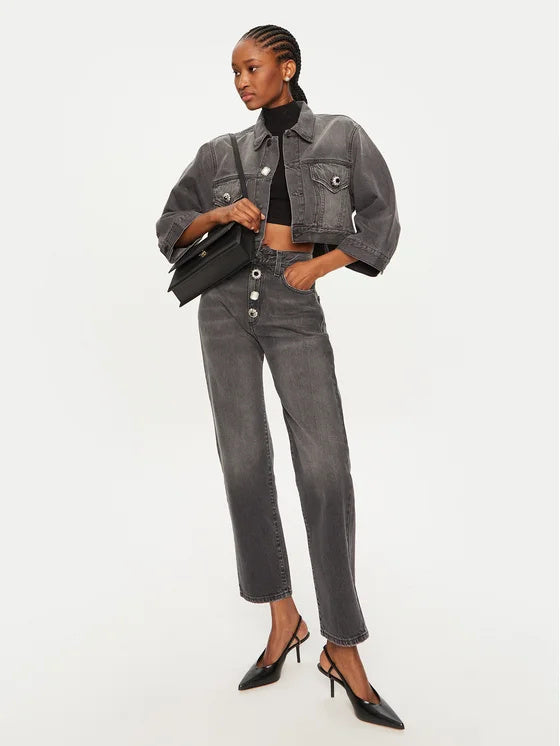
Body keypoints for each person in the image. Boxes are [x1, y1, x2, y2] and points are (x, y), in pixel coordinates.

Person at [155, 24, 404, 729]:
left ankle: (342, 646)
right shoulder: (221, 150)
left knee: (325, 471)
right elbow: (170, 224)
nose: (241, 81)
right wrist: (217, 211)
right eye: (234, 72)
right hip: (224, 304)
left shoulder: (341, 136)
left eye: (252, 67)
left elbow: (379, 221)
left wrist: (318, 266)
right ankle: (282, 617)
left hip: (295, 303)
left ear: (286, 67)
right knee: (243, 464)